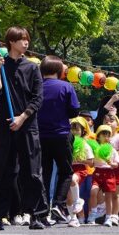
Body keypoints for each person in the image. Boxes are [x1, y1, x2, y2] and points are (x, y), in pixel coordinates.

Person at [0, 27, 47, 231]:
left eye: (27, 39)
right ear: (11, 42)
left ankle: (36, 215)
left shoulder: (32, 68)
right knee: (1, 171)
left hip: (27, 125)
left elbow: (38, 98)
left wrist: (22, 116)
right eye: (21, 40)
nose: (25, 43)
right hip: (3, 124)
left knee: (32, 171)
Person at [37, 55, 80, 225]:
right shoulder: (66, 87)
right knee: (66, 171)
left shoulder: (37, 86)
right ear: (58, 70)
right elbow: (74, 111)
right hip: (61, 134)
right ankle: (59, 205)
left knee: (45, 172)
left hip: (41, 135)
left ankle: (44, 209)